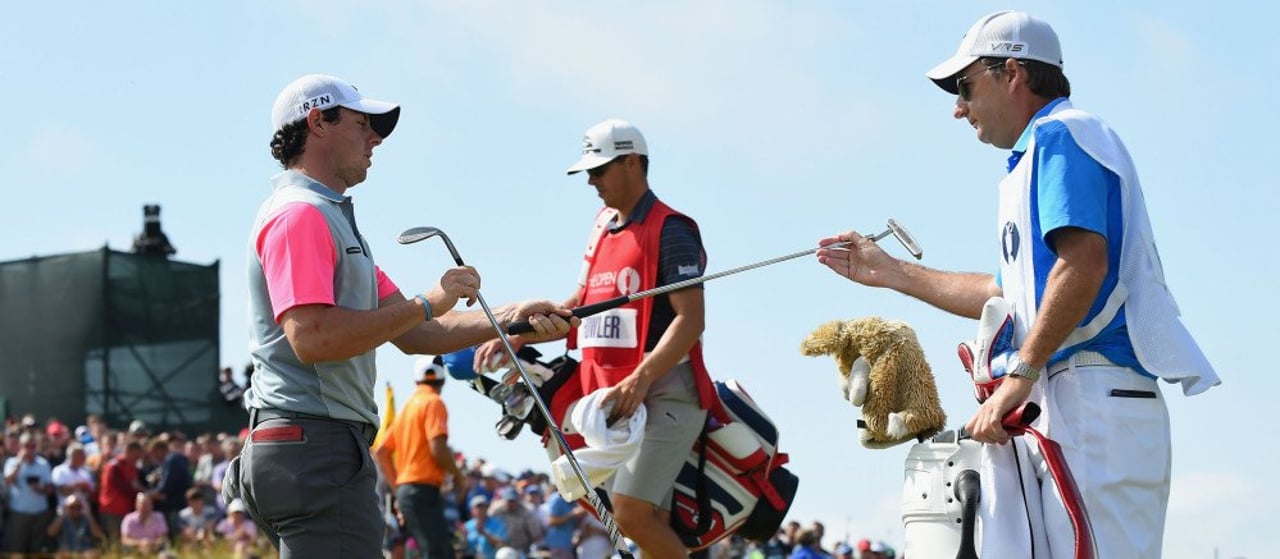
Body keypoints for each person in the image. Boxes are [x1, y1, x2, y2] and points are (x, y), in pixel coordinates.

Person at [816, 10, 1220, 559]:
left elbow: (1082, 265)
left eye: (965, 86)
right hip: (1066, 397)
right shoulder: (1038, 151)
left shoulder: (1063, 133)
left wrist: (1020, 376)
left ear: (1013, 73)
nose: (958, 108)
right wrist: (890, 272)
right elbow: (1010, 292)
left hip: (1090, 397)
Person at [235, 73, 576, 558]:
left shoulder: (328, 218)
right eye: (362, 124)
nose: (374, 138)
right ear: (318, 123)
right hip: (315, 445)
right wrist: (427, 300)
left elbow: (419, 334)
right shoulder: (300, 215)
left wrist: (513, 318)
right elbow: (311, 338)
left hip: (311, 446)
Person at [475, 118, 715, 559]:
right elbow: (580, 306)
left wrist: (640, 380)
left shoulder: (673, 228)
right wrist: (516, 335)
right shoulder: (602, 225)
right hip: (617, 397)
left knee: (629, 513)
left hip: (666, 391)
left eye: (599, 169)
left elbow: (690, 321)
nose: (591, 180)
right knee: (649, 520)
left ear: (632, 163)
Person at [373, 355, 467, 559]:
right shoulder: (434, 402)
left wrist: (399, 491)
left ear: (417, 380)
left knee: (435, 551)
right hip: (422, 491)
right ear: (442, 379)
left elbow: (381, 452)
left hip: (411, 493)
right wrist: (459, 476)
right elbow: (438, 448)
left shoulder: (408, 406)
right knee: (437, 553)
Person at [3, 431, 55, 555]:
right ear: (20, 446)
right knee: (17, 548)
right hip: (19, 514)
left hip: (40, 514)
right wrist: (20, 462)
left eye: (32, 446)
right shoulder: (12, 462)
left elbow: (50, 489)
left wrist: (40, 489)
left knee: (36, 549)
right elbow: (8, 481)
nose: (30, 450)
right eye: (27, 446)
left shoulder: (43, 463)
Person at [98, 441, 144, 545]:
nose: (137, 459)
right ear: (128, 451)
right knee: (114, 542)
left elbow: (135, 486)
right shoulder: (114, 467)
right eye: (135, 456)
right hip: (112, 511)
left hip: (125, 511)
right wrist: (142, 492)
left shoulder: (132, 467)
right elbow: (124, 489)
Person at [488, 486, 543, 556]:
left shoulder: (526, 513)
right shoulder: (497, 511)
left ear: (517, 500)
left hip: (521, 549)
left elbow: (536, 535)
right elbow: (490, 528)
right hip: (501, 549)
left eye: (513, 501)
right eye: (509, 500)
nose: (511, 503)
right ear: (504, 499)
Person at [464, 495, 506, 559]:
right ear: (472, 510)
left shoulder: (497, 523)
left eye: (483, 506)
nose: (481, 509)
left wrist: (484, 533)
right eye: (478, 507)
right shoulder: (467, 526)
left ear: (487, 508)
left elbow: (501, 545)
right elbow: (464, 548)